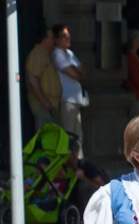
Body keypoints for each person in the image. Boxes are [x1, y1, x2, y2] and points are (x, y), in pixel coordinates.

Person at [51, 24, 87, 157]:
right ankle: (68, 166)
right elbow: (75, 74)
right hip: (66, 99)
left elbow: (83, 71)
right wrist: (76, 71)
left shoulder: (70, 53)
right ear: (56, 39)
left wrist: (77, 71)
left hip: (77, 100)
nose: (68, 38)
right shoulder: (57, 54)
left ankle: (79, 164)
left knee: (78, 135)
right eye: (64, 36)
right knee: (68, 136)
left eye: (68, 35)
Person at [25, 28, 61, 132]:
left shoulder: (46, 54)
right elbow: (32, 80)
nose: (54, 40)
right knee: (46, 138)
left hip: (50, 105)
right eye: (51, 37)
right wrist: (45, 102)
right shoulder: (38, 54)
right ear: (44, 39)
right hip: (43, 105)